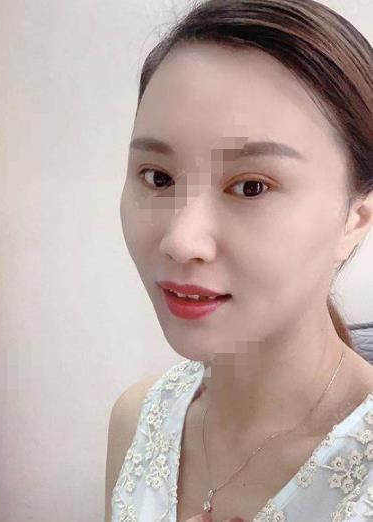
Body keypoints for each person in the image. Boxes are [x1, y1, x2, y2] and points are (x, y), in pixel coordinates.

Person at [105, 0, 373, 520]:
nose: (181, 241)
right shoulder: (136, 420)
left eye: (251, 186)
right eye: (158, 177)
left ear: (355, 218)